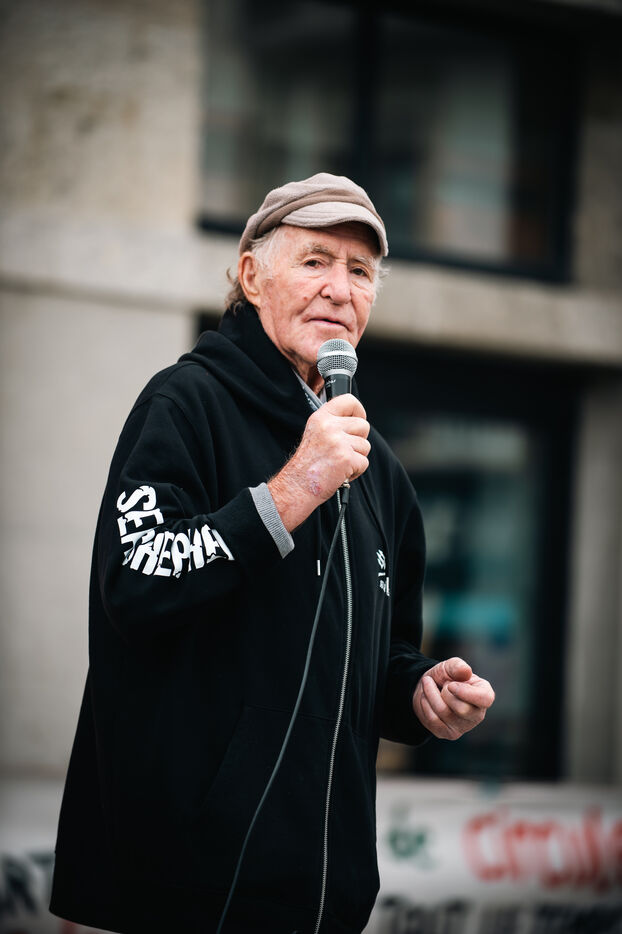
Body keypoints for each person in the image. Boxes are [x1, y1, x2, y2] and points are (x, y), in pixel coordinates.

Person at [50, 173, 494, 934]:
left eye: (360, 272)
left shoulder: (380, 470)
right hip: (187, 892)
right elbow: (136, 578)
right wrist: (293, 489)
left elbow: (377, 656)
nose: (339, 289)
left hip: (322, 898)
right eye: (315, 260)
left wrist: (420, 692)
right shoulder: (184, 404)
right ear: (252, 276)